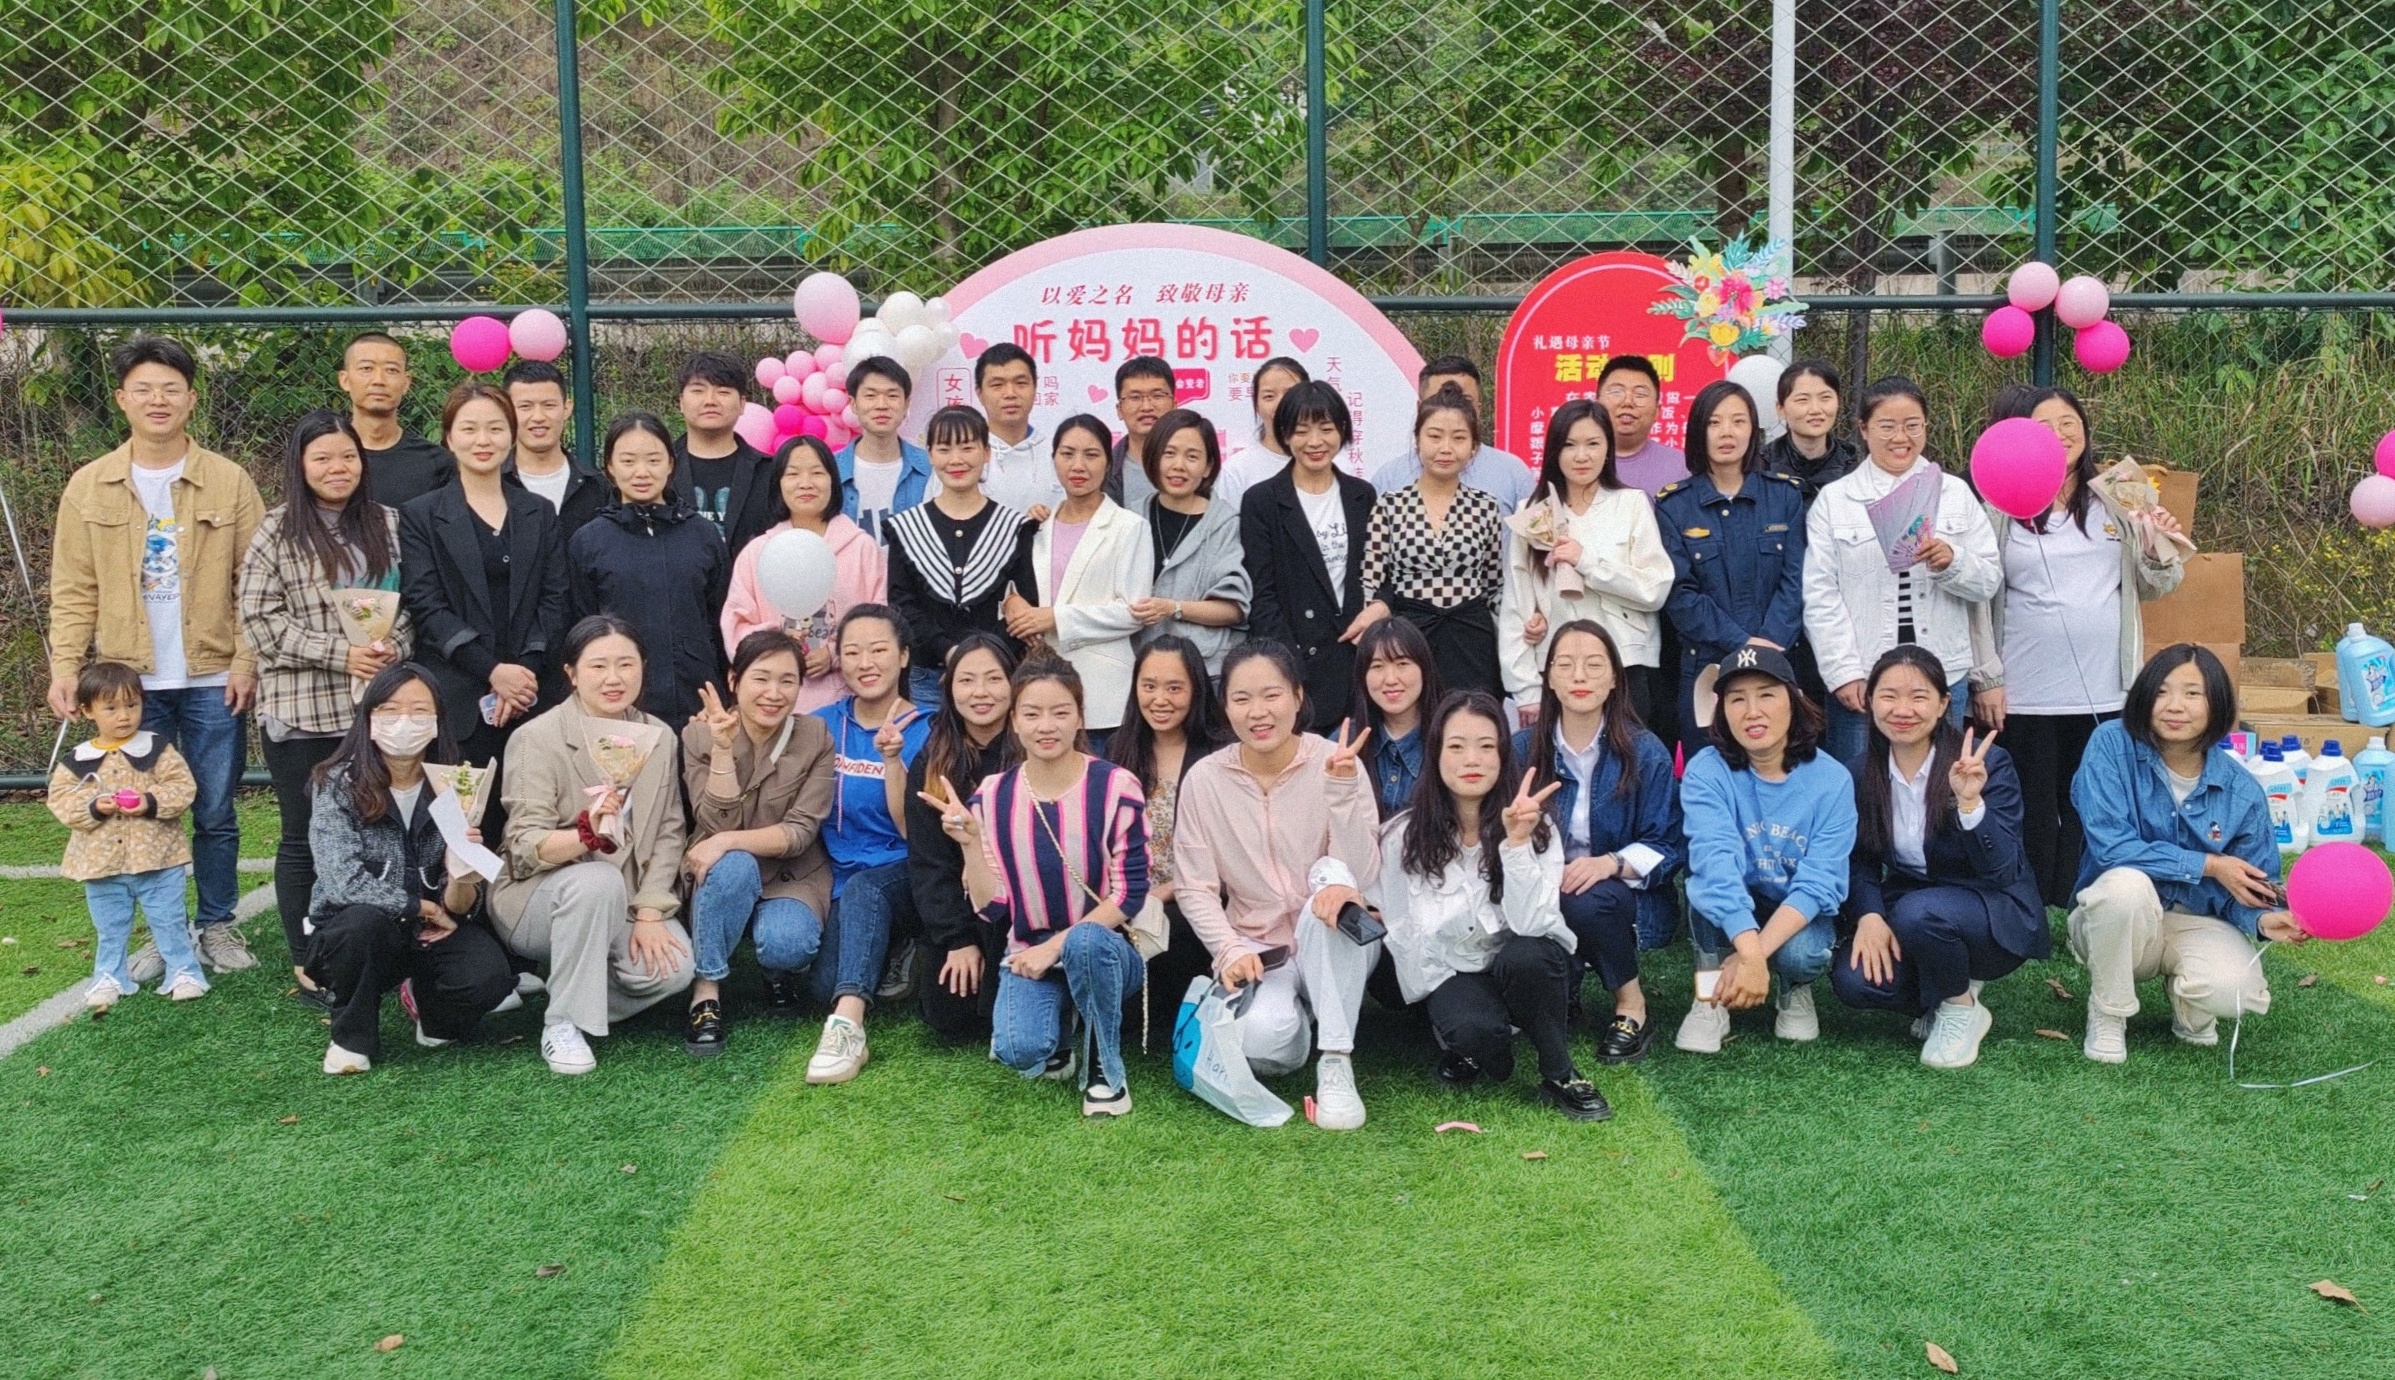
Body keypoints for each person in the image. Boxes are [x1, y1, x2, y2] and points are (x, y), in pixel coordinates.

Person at [49, 336, 263, 977]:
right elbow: (73, 589)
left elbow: (254, 583)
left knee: (215, 810)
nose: (157, 400)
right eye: (143, 389)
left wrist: (245, 663)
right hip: (129, 683)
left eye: (171, 388)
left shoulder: (228, 480)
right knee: (138, 808)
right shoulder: (89, 486)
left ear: (191, 399)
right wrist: (66, 668)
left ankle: (217, 924)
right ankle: (162, 930)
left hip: (212, 675)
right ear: (122, 399)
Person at [1969, 387, 2186, 908]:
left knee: (2093, 800)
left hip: (2107, 686)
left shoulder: (2123, 493)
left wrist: (2157, 542)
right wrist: (1987, 678)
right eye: (2044, 425)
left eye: (2070, 421)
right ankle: (2028, 901)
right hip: (2025, 690)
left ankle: (2082, 899)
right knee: (2031, 803)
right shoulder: (1995, 506)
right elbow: (1976, 601)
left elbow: (2161, 583)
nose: (2061, 434)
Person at [1349, 690, 1610, 1119]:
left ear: (1503, 755)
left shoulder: (1536, 825)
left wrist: (1517, 844)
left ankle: (1559, 1072)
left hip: (1524, 961)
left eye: (1486, 746)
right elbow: (1406, 932)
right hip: (1454, 969)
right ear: (1435, 754)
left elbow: (1532, 925)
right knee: (1474, 1032)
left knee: (1527, 956)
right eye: (1456, 746)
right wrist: (1445, 1001)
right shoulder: (1403, 836)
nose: (1472, 759)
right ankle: (1481, 1040)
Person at [922, 657, 1152, 1117]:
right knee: (1019, 1050)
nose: (1046, 726)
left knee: (1085, 943)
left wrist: (1055, 948)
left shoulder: (1116, 786)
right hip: (1029, 950)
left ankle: (1105, 1070)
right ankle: (1062, 1030)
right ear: (1014, 722)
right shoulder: (992, 795)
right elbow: (992, 907)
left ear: (1080, 717)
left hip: (1106, 949)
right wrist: (970, 844)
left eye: (1060, 712)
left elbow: (1129, 893)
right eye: (1032, 714)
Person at [1172, 642, 1382, 1130]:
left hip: (1335, 933)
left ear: (1297, 697)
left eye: (1271, 695)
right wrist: (1227, 949)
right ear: (1226, 707)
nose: (1258, 712)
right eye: (1242, 699)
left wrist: (1341, 794)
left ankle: (1336, 1061)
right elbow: (1194, 886)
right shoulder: (1205, 780)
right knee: (1263, 1044)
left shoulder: (1336, 762)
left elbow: (1362, 871)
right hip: (1261, 947)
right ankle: (1304, 1017)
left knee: (1328, 891)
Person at [241, 410, 413, 1000]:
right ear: (300, 465)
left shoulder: (389, 523)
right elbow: (260, 622)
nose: (337, 468)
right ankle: (307, 956)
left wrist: (392, 648)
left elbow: (413, 602)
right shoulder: (275, 531)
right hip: (303, 713)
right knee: (302, 835)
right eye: (322, 458)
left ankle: (380, 944)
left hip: (374, 713)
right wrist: (342, 654)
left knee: (379, 830)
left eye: (347, 456)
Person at [2066, 644, 2295, 1065]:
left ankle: (2189, 1002)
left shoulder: (2242, 791)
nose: (2175, 706)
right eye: (2162, 691)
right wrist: (2209, 865)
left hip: (2195, 920)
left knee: (2238, 991)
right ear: (2144, 696)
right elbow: (2112, 847)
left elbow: (2252, 883)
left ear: (2217, 704)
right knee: (2124, 886)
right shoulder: (2111, 745)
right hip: (2117, 916)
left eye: (2193, 694)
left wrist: (2264, 920)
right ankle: (2109, 1011)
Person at [491, 615, 696, 1075]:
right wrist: (586, 834)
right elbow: (523, 847)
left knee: (674, 969)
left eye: (626, 664)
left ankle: (568, 986)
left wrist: (650, 910)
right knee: (596, 880)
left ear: (643, 668)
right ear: (571, 673)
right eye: (598, 666)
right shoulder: (536, 738)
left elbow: (669, 831)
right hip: (538, 897)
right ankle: (562, 1024)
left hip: (626, 897)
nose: (613, 678)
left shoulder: (659, 736)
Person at [1828, 646, 2045, 1069]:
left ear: (1945, 703)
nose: (1902, 710)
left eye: (1919, 696)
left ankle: (1959, 1007)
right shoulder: (1859, 772)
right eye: (1889, 696)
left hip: (1991, 909)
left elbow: (2003, 866)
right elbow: (1859, 859)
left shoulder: (1986, 762)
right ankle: (1942, 988)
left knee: (1918, 913)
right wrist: (1869, 916)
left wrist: (1970, 804)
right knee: (1854, 980)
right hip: (1913, 905)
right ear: (1870, 701)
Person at [304, 663, 515, 1074]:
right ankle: (351, 1038)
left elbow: (464, 905)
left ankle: (432, 1012)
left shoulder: (457, 785)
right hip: (361, 933)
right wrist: (422, 907)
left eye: (419, 711)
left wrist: (460, 874)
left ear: (437, 721)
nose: (404, 722)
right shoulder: (337, 784)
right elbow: (342, 882)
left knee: (488, 977)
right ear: (369, 720)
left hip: (432, 933)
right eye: (390, 710)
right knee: (360, 925)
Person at [1804, 376, 2002, 767]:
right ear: (1863, 429)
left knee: (1940, 782)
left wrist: (1952, 562)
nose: (1901, 438)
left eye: (1912, 425)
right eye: (1887, 426)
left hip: (1942, 671)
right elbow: (1820, 594)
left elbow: (1989, 581)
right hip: (1864, 674)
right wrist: (1843, 671)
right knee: (1861, 780)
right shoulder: (1837, 500)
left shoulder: (1955, 494)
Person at [1673, 645, 1856, 1054]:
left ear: (1794, 700)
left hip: (1794, 906)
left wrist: (1753, 956)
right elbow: (1715, 863)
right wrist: (1751, 953)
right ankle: (1709, 994)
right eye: (1737, 699)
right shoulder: (1707, 770)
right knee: (1704, 886)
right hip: (1735, 897)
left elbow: (1820, 882)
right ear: (1722, 711)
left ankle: (1793, 987)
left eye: (1767, 695)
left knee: (1803, 954)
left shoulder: (1833, 780)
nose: (1752, 711)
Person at [1516, 621, 1681, 1060]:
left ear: (1614, 679)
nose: (1579, 676)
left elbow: (1668, 846)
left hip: (1625, 901)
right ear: (1549, 678)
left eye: (1594, 665)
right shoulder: (1521, 750)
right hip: (1541, 892)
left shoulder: (1646, 752)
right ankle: (1564, 989)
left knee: (1585, 898)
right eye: (1565, 665)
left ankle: (1632, 1005)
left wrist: (1610, 863)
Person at [678, 630, 837, 1059]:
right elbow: (714, 822)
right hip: (723, 870)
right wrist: (722, 749)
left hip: (790, 874)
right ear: (734, 680)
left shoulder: (815, 735)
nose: (774, 693)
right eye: (761, 678)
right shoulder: (699, 736)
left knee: (789, 944)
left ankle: (775, 969)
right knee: (732, 865)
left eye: (787, 681)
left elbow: (800, 832)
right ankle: (706, 990)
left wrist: (727, 840)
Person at [400, 383, 572, 772]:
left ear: (511, 435)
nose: (483, 440)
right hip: (458, 702)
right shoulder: (422, 515)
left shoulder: (539, 512)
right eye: (469, 429)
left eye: (495, 428)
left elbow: (555, 598)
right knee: (466, 811)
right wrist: (493, 671)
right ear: (449, 437)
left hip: (533, 697)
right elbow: (426, 605)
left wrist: (522, 676)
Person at [806, 604, 929, 1081]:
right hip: (840, 876)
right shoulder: (820, 724)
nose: (866, 663)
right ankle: (894, 947)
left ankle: (847, 1027)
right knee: (821, 986)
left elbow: (914, 832)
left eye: (879, 650)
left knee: (867, 891)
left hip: (905, 871)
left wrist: (893, 761)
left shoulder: (929, 728)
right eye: (853, 652)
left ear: (903, 656)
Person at [1500, 397, 1673, 728]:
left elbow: (1655, 589)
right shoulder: (1532, 512)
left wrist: (1587, 562)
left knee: (1627, 756)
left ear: (1608, 449)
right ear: (1554, 451)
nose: (1582, 456)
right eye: (1569, 445)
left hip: (1625, 665)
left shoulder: (1631, 504)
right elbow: (1515, 606)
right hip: (1556, 669)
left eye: (1593, 444)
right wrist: (1526, 690)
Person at [1656, 380, 1809, 754]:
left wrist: (1767, 647)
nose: (1727, 432)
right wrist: (1743, 645)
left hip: (1777, 658)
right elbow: (1681, 595)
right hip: (1707, 668)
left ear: (1753, 429)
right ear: (1698, 431)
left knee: (1778, 765)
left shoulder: (1784, 496)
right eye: (1714, 422)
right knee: (1711, 768)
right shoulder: (1674, 506)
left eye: (1738, 421)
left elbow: (1796, 580)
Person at [49, 661, 207, 1011]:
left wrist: (149, 801)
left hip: (159, 859)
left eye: (132, 705)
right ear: (87, 711)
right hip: (101, 865)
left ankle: (184, 972)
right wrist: (95, 806)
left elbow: (183, 787)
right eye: (111, 708)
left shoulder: (157, 748)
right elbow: (60, 800)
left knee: (169, 921)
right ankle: (109, 976)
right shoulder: (78, 759)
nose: (124, 716)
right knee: (110, 927)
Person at [567, 412, 730, 731]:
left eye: (653, 460)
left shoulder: (703, 534)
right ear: (609, 467)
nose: (641, 472)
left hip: (696, 702)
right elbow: (581, 630)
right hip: (620, 704)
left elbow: (720, 620)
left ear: (670, 464)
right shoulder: (589, 541)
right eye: (628, 461)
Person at [1105, 635, 1231, 1038]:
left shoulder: (1221, 752)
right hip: (1128, 893)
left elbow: (1230, 854)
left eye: (1175, 688)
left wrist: (1158, 895)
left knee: (1175, 925)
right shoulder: (1119, 748)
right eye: (1149, 686)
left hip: (1198, 895)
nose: (1160, 699)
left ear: (1196, 690)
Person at [1348, 386, 1510, 700]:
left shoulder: (1486, 506)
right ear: (1417, 440)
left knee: (1472, 718)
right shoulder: (1390, 505)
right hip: (1409, 638)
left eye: (1459, 438)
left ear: (1474, 447)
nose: (1445, 448)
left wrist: (1520, 628)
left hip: (1472, 637)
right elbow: (1370, 580)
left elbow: (1493, 587)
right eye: (1435, 436)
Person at [1003, 413, 1152, 741]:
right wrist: (1011, 602)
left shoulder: (1129, 527)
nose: (1078, 465)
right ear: (1054, 458)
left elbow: (1134, 612)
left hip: (1103, 692)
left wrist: (1055, 618)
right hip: (1040, 688)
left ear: (1108, 463)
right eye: (1067, 454)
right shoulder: (1037, 525)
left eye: (1091, 455)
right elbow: (1015, 582)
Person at [1241, 382, 1376, 732]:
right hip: (1299, 668)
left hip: (1357, 660)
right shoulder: (1262, 501)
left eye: (1326, 429)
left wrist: (1379, 610)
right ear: (1285, 434)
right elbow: (1262, 596)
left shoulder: (1362, 495)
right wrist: (1289, 670)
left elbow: (1381, 572)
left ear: (1342, 430)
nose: (1315, 442)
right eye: (1301, 431)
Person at [719, 435, 888, 713]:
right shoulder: (757, 553)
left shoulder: (862, 548)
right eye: (793, 474)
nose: (806, 483)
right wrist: (779, 644)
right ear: (778, 483)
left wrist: (834, 654)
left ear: (833, 481)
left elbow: (880, 622)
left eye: (817, 473)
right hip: (773, 704)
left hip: (846, 701)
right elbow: (736, 626)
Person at [907, 635, 1020, 1043]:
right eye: (967, 680)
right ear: (950, 689)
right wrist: (957, 940)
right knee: (947, 1014)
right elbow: (928, 862)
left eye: (994, 678)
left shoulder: (1034, 751)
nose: (980, 692)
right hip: (961, 906)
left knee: (1001, 1013)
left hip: (1021, 907)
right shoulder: (932, 760)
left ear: (1014, 683)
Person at [885, 406, 1032, 710]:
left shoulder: (1014, 527)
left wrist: (980, 659)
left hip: (995, 673)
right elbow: (902, 604)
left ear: (986, 452)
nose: (956, 460)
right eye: (944, 449)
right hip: (928, 678)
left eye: (967, 448)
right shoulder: (906, 527)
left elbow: (1027, 605)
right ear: (929, 454)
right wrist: (949, 651)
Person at [1130, 409, 1249, 676]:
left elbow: (1233, 609)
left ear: (1208, 466)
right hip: (1141, 668)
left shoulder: (1226, 523)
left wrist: (1173, 608)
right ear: (1153, 457)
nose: (1179, 465)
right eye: (1169, 453)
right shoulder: (1131, 518)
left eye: (1192, 456)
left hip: (1205, 670)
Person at [1366, 356, 1534, 513]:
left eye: (1465, 401)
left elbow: (1536, 530)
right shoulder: (1389, 479)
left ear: (1478, 409)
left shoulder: (1513, 474)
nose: (1452, 408)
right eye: (1439, 399)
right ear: (1420, 408)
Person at [672, 350, 778, 557]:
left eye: (723, 391)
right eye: (698, 391)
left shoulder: (770, 472)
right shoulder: (658, 470)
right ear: (681, 403)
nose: (710, 400)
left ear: (742, 404)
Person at [339, 331, 456, 507]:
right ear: (345, 380)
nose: (378, 380)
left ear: (406, 383)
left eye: (391, 370)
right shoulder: (324, 458)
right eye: (366, 369)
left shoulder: (436, 462)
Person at [1351, 616, 1443, 821]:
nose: (1391, 679)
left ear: (1424, 669)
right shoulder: (1346, 742)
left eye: (1402, 663)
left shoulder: (1450, 738)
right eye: (1377, 666)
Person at [501, 360, 608, 536]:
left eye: (549, 405)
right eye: (525, 406)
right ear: (506, 410)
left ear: (567, 408)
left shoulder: (596, 486)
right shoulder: (492, 484)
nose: (538, 417)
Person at [835, 356, 932, 539]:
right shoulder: (830, 470)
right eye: (870, 396)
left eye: (892, 396)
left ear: (906, 404)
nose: (881, 405)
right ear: (853, 404)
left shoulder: (930, 468)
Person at [974, 342, 1061, 516]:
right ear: (980, 394)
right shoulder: (963, 456)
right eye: (997, 385)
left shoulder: (1059, 453)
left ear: (1035, 388)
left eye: (1021, 383)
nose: (1010, 394)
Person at [1759, 361, 1860, 504]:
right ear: (1780, 408)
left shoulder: (1854, 470)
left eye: (1825, 398)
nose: (1816, 410)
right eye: (1803, 400)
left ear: (1839, 403)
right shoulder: (1761, 467)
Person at [1213, 356, 1307, 506]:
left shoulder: (1333, 462)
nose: (1280, 404)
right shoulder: (1236, 471)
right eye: (1269, 396)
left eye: (1290, 394)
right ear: (1256, 405)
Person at [1597, 356, 1684, 497]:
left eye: (1640, 394)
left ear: (1657, 411)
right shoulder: (1575, 462)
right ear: (1597, 405)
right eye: (1616, 392)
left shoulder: (1682, 468)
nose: (1627, 402)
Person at [1108, 354, 1175, 511]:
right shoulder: (1104, 470)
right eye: (1135, 397)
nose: (1146, 407)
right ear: (1119, 409)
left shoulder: (1197, 465)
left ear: (1174, 405)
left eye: (1157, 396)